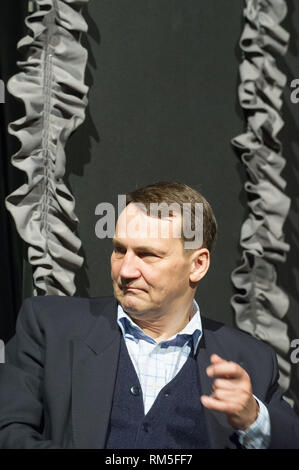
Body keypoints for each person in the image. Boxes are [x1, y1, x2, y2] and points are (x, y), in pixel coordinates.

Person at [0, 181, 298, 449]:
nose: (126, 270)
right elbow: (8, 431)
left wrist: (253, 418)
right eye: (119, 250)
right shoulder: (51, 327)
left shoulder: (250, 358)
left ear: (198, 265)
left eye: (147, 255)